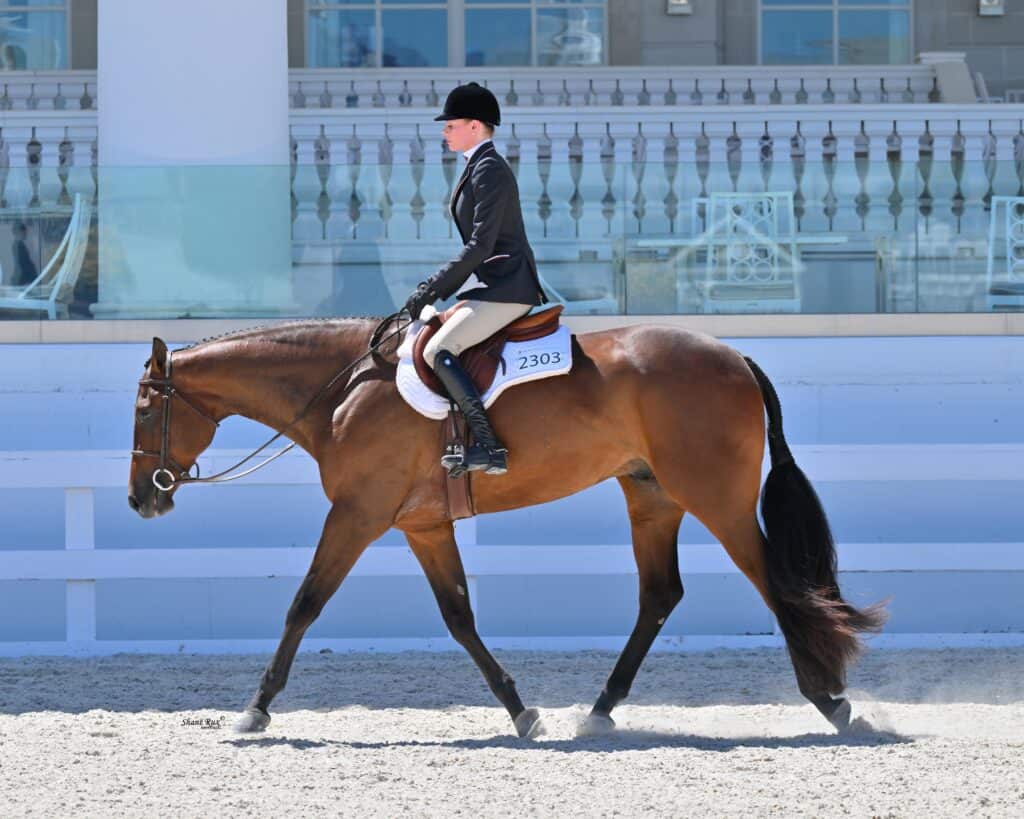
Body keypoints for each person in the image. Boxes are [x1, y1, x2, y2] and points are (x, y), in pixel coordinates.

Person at [404, 82, 548, 477]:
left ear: (474, 125)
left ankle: (489, 446)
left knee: (438, 349)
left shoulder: (490, 170)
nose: (444, 131)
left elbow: (480, 246)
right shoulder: (477, 166)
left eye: (450, 125)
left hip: (508, 287)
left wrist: (433, 287)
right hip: (493, 284)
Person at [11, 222, 37, 287]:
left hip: (25, 276)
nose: (26, 234)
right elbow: (23, 264)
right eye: (24, 232)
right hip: (25, 277)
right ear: (20, 232)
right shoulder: (18, 246)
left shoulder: (19, 245)